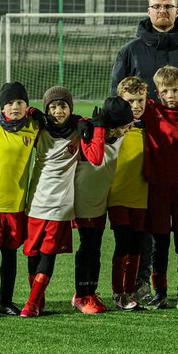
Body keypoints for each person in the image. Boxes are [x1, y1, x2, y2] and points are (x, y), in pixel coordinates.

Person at [109, 0, 178, 300]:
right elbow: (115, 100)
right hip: (143, 150)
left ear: (177, 10)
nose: (162, 11)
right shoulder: (131, 51)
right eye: (157, 6)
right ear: (148, 10)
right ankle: (142, 280)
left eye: (168, 6)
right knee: (147, 220)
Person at [21, 86, 112, 317]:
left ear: (70, 108)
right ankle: (38, 300)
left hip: (61, 205)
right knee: (33, 254)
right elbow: (18, 119)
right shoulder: (39, 126)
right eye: (52, 107)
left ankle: (30, 304)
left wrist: (95, 127)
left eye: (62, 106)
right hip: (35, 201)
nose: (58, 111)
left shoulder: (77, 130)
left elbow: (96, 157)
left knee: (48, 254)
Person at [0, 82, 45, 318]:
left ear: (27, 106)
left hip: (17, 205)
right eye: (9, 103)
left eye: (20, 103)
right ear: (1, 107)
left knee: (10, 255)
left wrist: (39, 114)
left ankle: (6, 301)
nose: (14, 107)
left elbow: (62, 125)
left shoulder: (34, 127)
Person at [140, 65, 178, 309]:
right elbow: (126, 101)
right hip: (158, 188)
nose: (170, 96)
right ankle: (160, 291)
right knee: (160, 244)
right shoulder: (151, 111)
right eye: (165, 91)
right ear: (157, 92)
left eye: (175, 90)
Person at [73, 96, 134, 314]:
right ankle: (81, 295)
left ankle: (90, 292)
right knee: (87, 247)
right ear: (114, 125)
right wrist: (95, 128)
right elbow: (96, 158)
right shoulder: (90, 134)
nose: (129, 129)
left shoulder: (116, 135)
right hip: (84, 201)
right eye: (125, 126)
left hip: (100, 201)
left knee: (95, 247)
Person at [106, 78, 151, 310]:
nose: (135, 105)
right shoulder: (114, 130)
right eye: (130, 101)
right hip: (118, 196)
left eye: (140, 100)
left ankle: (130, 291)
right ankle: (118, 293)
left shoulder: (148, 128)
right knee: (122, 244)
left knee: (136, 247)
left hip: (141, 196)